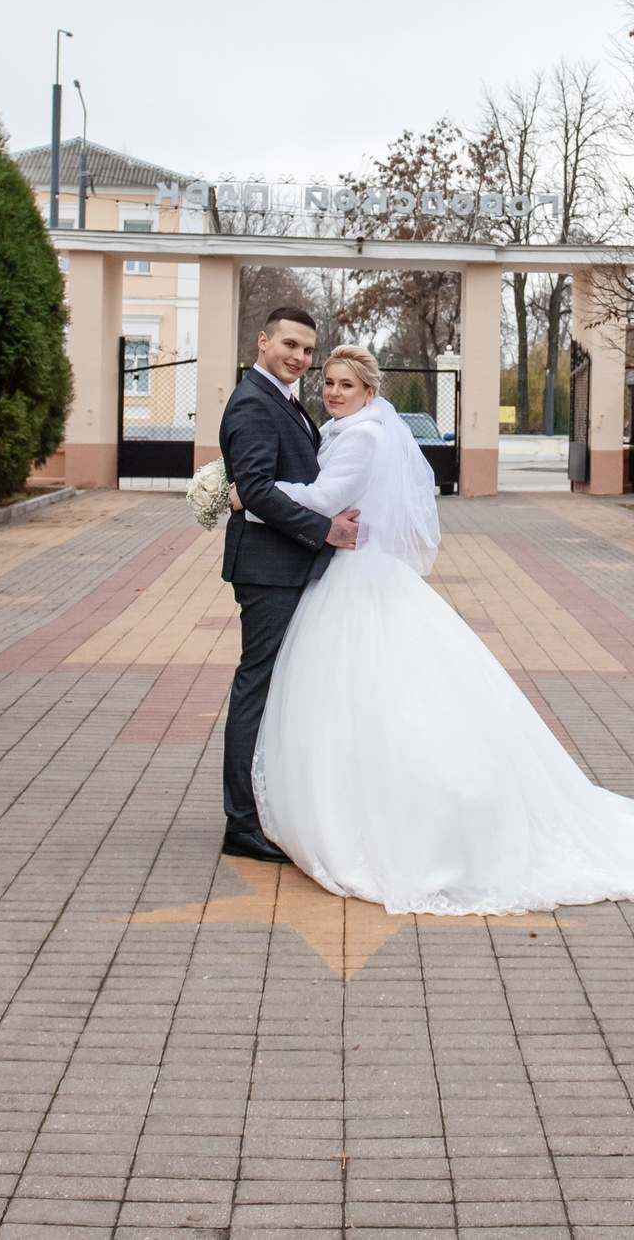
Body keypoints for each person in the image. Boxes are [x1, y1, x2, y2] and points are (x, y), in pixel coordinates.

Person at [240, 343, 634, 915]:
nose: (332, 392)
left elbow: (325, 498)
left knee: (370, 694)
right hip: (353, 569)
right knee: (356, 697)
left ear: (370, 391)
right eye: (328, 382)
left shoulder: (364, 436)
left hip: (357, 577)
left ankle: (389, 818)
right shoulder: (344, 430)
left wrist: (247, 494)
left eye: (346, 384)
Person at [215, 308, 361, 864]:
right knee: (257, 687)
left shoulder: (283, 398)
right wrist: (324, 530)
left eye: (306, 350)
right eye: (289, 344)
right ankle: (242, 823)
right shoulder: (254, 402)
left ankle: (265, 805)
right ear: (263, 341)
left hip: (282, 562)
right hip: (269, 569)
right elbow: (255, 488)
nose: (299, 357)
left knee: (276, 688)